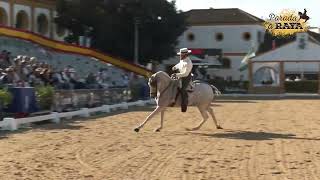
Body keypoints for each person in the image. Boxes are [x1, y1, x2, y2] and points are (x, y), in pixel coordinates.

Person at [171, 48, 193, 112]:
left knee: (183, 89)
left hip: (186, 78)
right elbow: (179, 65)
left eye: (181, 55)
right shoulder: (182, 60)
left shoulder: (189, 63)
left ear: (185, 55)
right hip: (180, 76)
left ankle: (184, 105)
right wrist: (175, 67)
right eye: (180, 54)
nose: (180, 56)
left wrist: (177, 75)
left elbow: (186, 74)